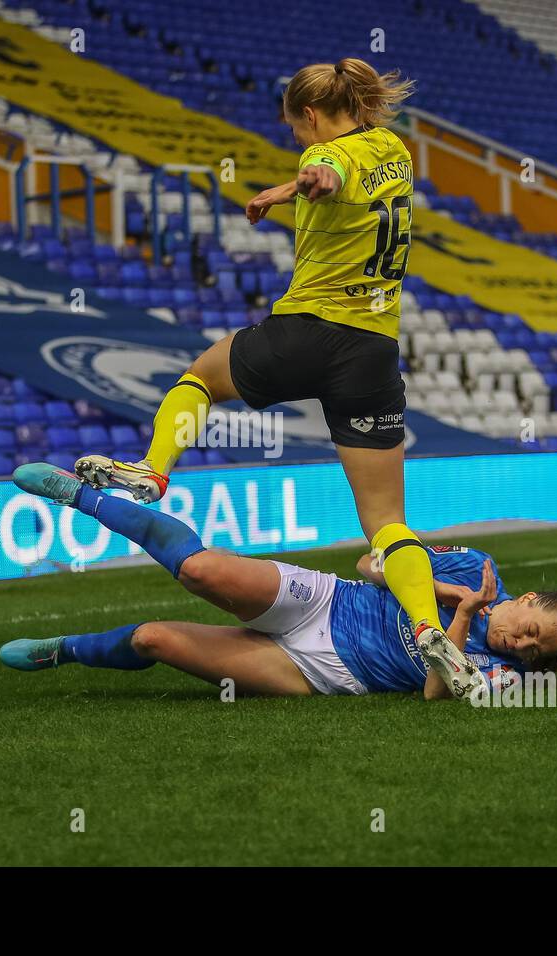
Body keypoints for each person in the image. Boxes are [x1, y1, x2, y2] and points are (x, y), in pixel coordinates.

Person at [72, 57, 469, 681]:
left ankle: (153, 471)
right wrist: (297, 187)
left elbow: (328, 172)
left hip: (308, 332)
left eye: (294, 128)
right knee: (388, 523)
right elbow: (341, 173)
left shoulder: (331, 155)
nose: (296, 140)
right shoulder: (394, 147)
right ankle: (426, 629)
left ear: (310, 115)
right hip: (372, 351)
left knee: (200, 377)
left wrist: (299, 183)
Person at [0, 464, 557, 700]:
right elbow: (371, 564)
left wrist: (461, 616)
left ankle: (64, 652)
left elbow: (439, 694)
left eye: (540, 651)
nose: (526, 644)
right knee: (200, 569)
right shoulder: (473, 565)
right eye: (534, 630)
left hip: (322, 675)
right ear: (531, 600)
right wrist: (445, 592)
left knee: (155, 640)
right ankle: (82, 495)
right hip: (328, 604)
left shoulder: (502, 672)